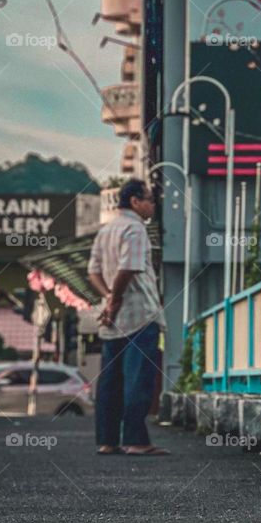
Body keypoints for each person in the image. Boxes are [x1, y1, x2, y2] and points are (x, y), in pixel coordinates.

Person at [87, 178, 168, 456]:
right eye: (149, 200)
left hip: (112, 321)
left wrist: (108, 298)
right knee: (138, 379)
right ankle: (136, 440)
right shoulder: (134, 229)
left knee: (110, 382)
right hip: (139, 315)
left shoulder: (106, 230)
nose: (153, 206)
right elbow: (129, 267)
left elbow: (93, 272)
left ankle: (107, 440)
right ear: (135, 201)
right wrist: (117, 298)